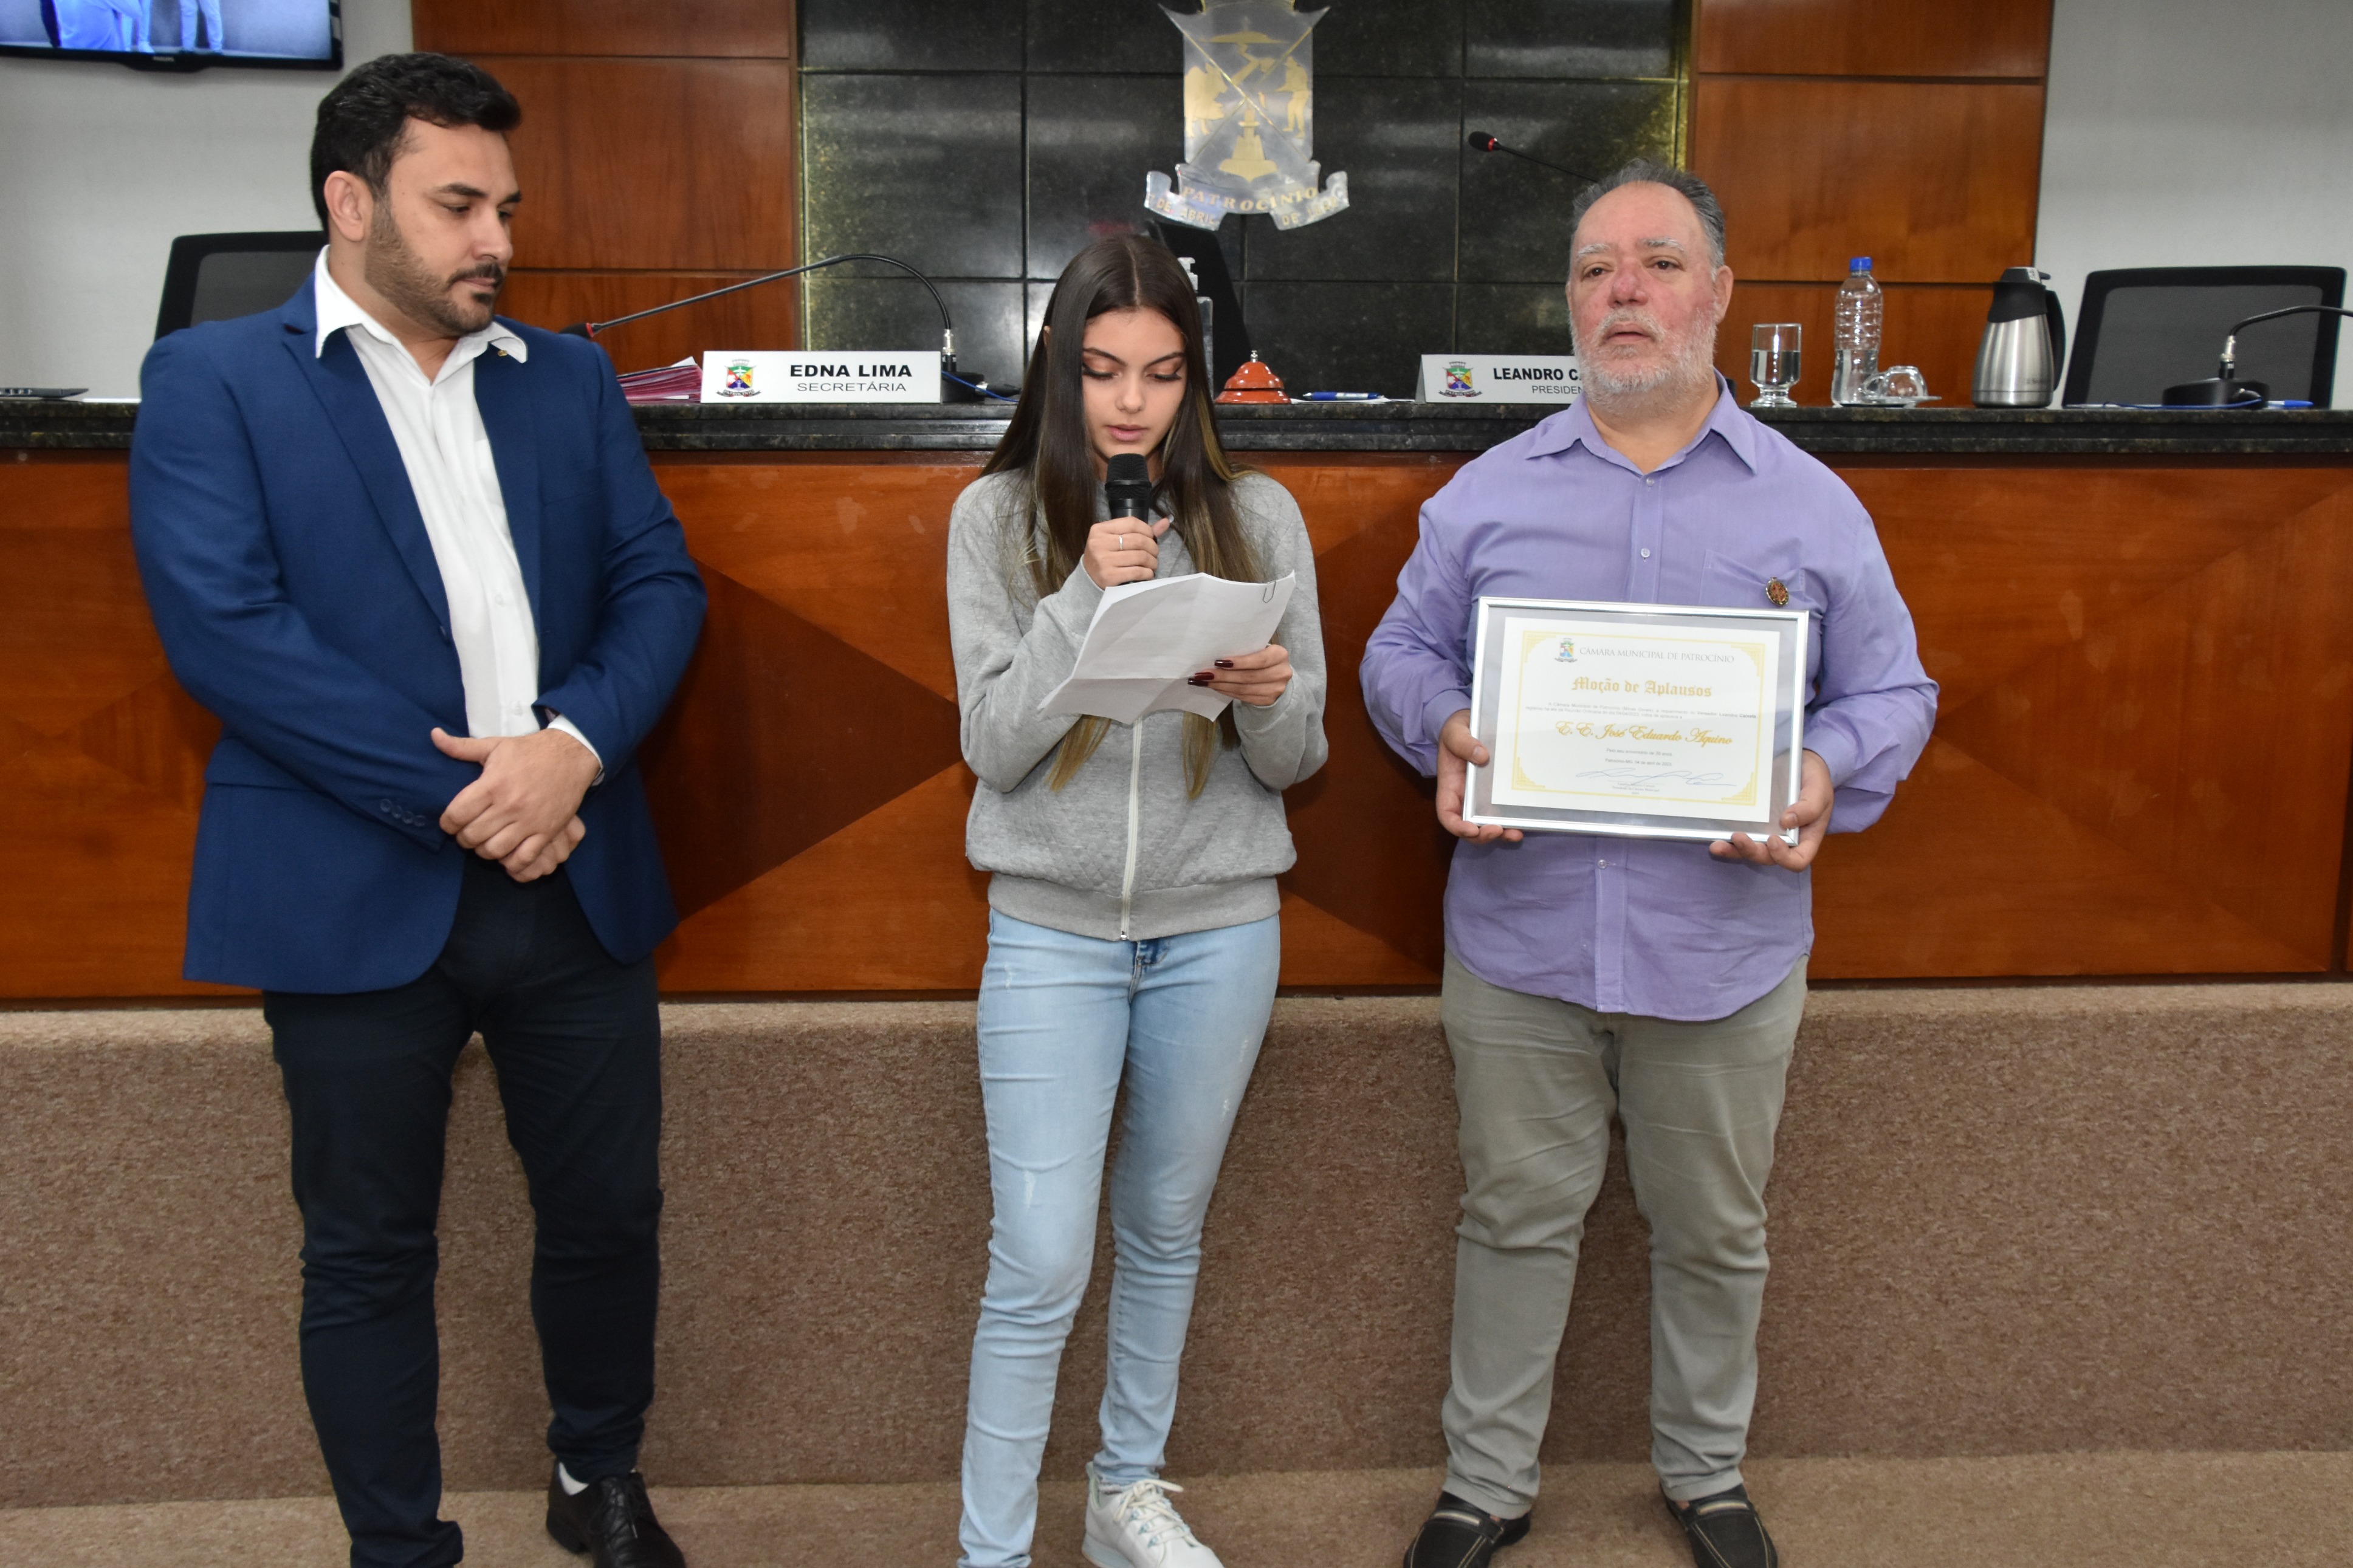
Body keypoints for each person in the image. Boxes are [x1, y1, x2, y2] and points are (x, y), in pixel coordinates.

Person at [128, 53, 706, 1568]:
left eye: (505, 206)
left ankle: (596, 1475)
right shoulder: (213, 378)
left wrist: (572, 747)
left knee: (609, 1212)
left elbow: (657, 581)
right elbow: (227, 634)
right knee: (367, 1248)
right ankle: (397, 1546)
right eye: (458, 205)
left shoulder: (566, 378)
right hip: (347, 883)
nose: (495, 239)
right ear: (351, 201)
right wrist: (481, 792)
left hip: (575, 873)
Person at [1362, 159, 1937, 1568]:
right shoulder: (1486, 495)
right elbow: (1398, 651)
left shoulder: (1810, 506)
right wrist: (1444, 726)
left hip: (1721, 947)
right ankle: (1484, 1486)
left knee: (1716, 1231)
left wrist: (1822, 766)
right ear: (1569, 303)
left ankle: (1705, 1473)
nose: (1623, 290)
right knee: (1511, 1218)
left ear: (1717, 292)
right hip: (1524, 938)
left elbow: (1895, 691)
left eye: (1658, 263)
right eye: (1594, 268)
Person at [944, 233, 1328, 1568]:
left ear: (1193, 380)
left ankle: (1125, 1494)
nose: (1130, 402)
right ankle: (992, 1552)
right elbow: (994, 746)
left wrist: (1268, 695)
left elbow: (1298, 761)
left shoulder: (1260, 516)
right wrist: (1079, 599)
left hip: (1219, 925)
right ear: (1058, 365)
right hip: (1051, 927)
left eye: (1162, 374)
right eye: (1103, 369)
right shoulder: (996, 520)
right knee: (1040, 1257)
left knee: (1164, 1229)